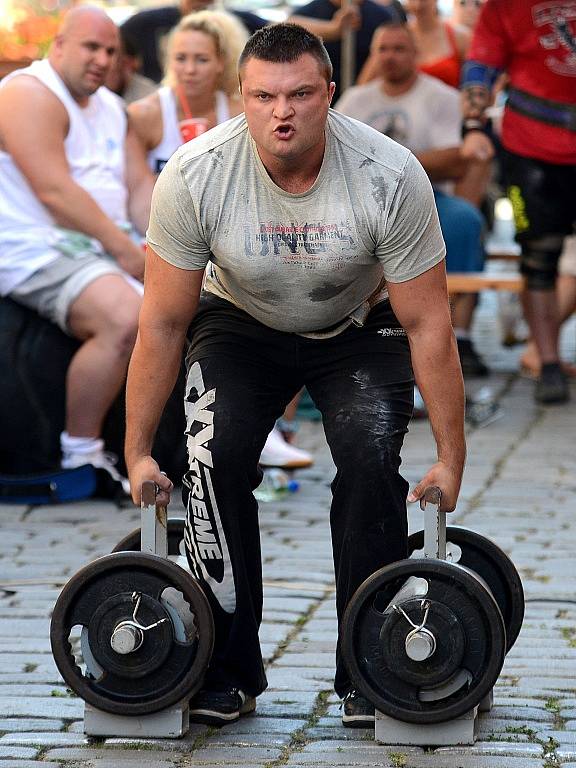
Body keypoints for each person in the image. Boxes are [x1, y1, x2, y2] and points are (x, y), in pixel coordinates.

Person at [125, 23, 466, 728]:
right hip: (239, 320)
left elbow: (430, 324)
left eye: (301, 94)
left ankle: (370, 667)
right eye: (264, 96)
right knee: (211, 462)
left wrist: (452, 458)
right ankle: (226, 670)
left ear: (330, 95)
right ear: (241, 98)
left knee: (372, 462)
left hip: (358, 323)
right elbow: (160, 325)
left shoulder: (389, 173)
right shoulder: (195, 174)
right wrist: (135, 451)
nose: (283, 112)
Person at [0, 6, 155, 493]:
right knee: (124, 316)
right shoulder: (28, 94)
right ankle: (80, 457)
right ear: (59, 45)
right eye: (91, 47)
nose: (102, 59)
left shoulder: (111, 107)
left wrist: (163, 243)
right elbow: (55, 193)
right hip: (35, 247)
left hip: (100, 245)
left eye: (110, 50)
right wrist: (130, 255)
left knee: (196, 304)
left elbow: (137, 186)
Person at [336, 22, 490, 376]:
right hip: (363, 198)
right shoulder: (356, 99)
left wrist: (390, 162)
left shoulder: (441, 97)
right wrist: (414, 159)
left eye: (398, 49)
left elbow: (454, 159)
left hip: (427, 195)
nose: (389, 57)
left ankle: (459, 333)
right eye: (382, 49)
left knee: (465, 221)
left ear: (416, 54)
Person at [461, 0, 576, 403]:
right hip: (532, 148)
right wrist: (474, 125)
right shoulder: (504, 6)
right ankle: (546, 362)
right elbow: (480, 67)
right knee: (539, 258)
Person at [128, 11, 246, 174]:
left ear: (220, 63)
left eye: (201, 59)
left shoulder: (239, 116)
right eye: (181, 58)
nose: (190, 70)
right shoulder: (144, 114)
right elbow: (136, 184)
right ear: (169, 60)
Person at [289, 0, 405, 99]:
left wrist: (353, 100)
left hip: (365, 102)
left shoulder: (382, 16)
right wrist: (334, 29)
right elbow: (289, 28)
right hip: (321, 101)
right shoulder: (308, 12)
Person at [357, 0, 470, 88]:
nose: (418, 5)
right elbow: (364, 84)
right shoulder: (395, 38)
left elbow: (472, 81)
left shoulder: (460, 37)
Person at [105, 28, 157, 104]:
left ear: (128, 63)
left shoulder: (148, 96)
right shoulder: (93, 94)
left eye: (111, 53)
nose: (104, 62)